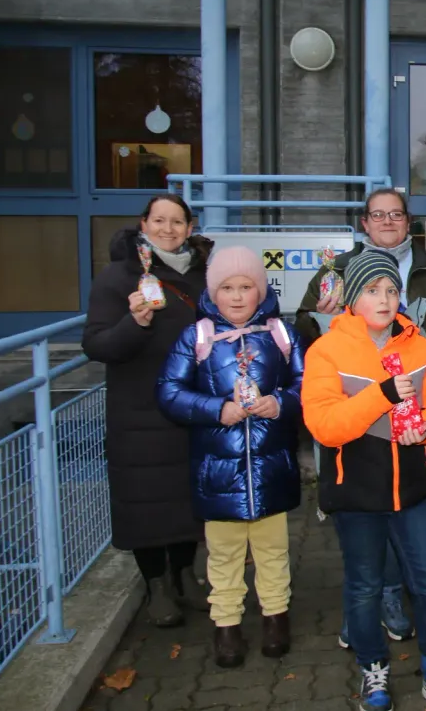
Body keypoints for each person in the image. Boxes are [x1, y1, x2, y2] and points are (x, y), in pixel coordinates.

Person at [301, 253, 426, 711]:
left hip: (414, 489)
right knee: (364, 586)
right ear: (352, 298)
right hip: (356, 491)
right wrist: (381, 395)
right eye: (371, 290)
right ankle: (372, 669)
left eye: (390, 290)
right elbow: (324, 426)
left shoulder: (416, 344)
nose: (383, 300)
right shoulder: (327, 350)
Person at [296, 188, 426, 644]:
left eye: (396, 214)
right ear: (364, 223)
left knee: (422, 562)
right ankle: (374, 629)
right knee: (365, 573)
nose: (385, 298)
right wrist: (327, 318)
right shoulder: (335, 274)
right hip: (358, 472)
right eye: (379, 214)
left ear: (408, 221)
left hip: (414, 462)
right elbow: (306, 330)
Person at [156, 246, 304, 667]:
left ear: (261, 291)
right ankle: (227, 624)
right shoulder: (197, 337)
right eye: (227, 287)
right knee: (222, 554)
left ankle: (276, 617)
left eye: (246, 287)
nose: (237, 296)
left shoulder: (282, 333)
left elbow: (307, 382)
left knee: (274, 550)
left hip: (271, 466)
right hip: (217, 471)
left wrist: (280, 403)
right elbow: (168, 392)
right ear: (212, 292)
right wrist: (216, 410)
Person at [82, 194, 212, 627]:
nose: (168, 230)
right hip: (138, 408)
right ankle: (155, 585)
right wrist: (134, 322)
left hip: (191, 405)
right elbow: (96, 345)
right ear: (144, 223)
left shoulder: (202, 274)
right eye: (160, 221)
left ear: (190, 228)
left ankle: (185, 574)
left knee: (187, 496)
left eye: (178, 222)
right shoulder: (118, 278)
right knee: (145, 499)